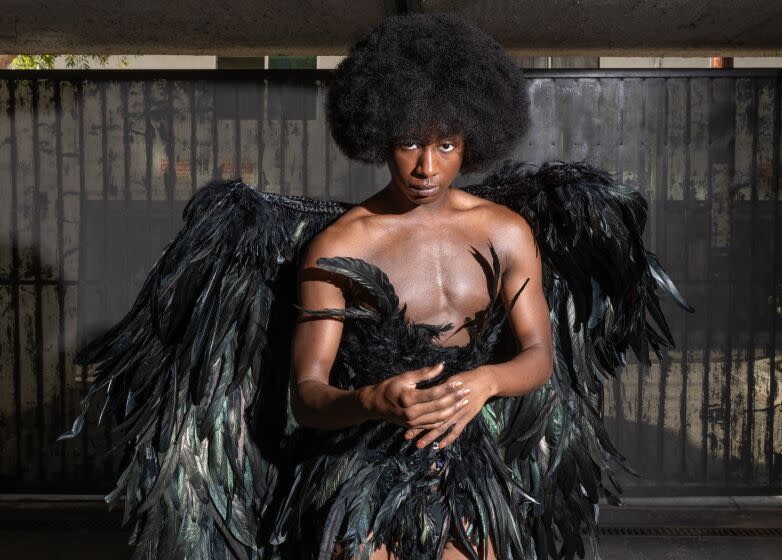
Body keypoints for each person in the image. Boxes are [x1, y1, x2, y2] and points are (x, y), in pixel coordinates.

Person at [60, 11, 692, 560]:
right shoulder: (340, 246)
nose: (426, 165)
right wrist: (371, 400)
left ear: (471, 141)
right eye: (410, 142)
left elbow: (538, 356)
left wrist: (486, 382)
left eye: (446, 145)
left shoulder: (506, 233)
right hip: (359, 470)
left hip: (469, 462)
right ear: (378, 136)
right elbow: (306, 394)